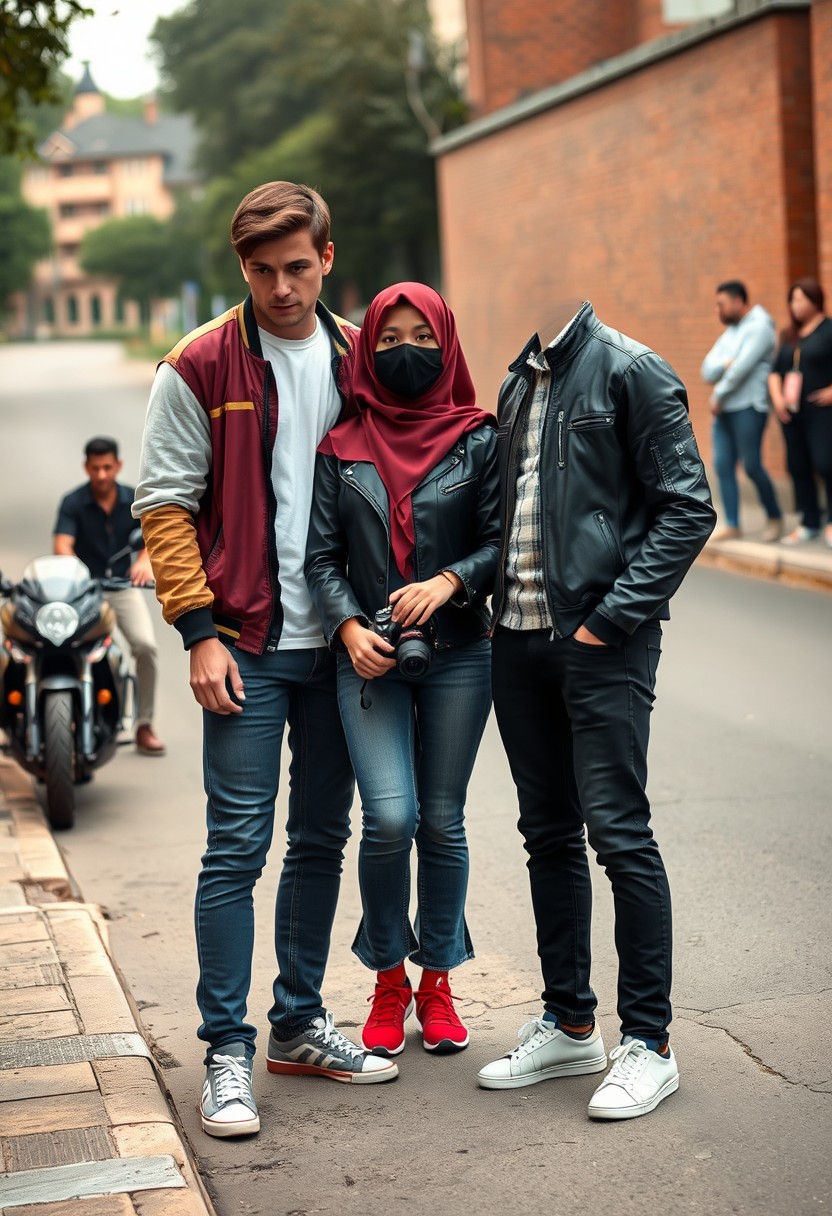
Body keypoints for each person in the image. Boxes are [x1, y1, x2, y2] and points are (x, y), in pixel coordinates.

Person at [133, 182, 397, 1142]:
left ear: (328, 255)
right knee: (236, 849)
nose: (281, 287)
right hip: (242, 645)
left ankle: (296, 1024)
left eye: (298, 267)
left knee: (321, 840)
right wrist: (197, 631)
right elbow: (163, 505)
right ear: (241, 268)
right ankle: (225, 1052)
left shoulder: (361, 353)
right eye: (261, 271)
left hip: (338, 646)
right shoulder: (197, 365)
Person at [477, 300, 716, 1120]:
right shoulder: (516, 384)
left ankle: (648, 1043)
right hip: (516, 639)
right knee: (546, 834)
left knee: (618, 833)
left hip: (601, 640)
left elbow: (688, 506)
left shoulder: (630, 370)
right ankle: (571, 1021)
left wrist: (610, 621)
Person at [305, 283, 499, 1058]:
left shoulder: (479, 438)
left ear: (446, 340)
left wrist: (451, 581)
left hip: (459, 653)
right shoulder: (339, 444)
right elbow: (320, 557)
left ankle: (437, 978)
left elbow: (498, 540)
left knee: (443, 821)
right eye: (388, 340)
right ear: (366, 350)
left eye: (421, 335)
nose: (405, 350)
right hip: (369, 659)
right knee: (390, 819)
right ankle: (387, 974)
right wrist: (349, 626)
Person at [54, 436, 165, 756]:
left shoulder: (133, 498)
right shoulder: (73, 502)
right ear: (86, 467)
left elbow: (152, 535)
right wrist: (72, 571)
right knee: (89, 653)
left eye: (107, 467)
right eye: (95, 468)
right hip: (85, 595)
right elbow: (62, 544)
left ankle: (144, 724)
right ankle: (78, 719)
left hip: (122, 589)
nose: (101, 474)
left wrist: (144, 561)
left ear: (117, 465)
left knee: (145, 646)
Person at [700, 280, 782, 541]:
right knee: (723, 465)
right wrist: (725, 363)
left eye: (721, 304)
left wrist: (719, 393)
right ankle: (733, 524)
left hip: (749, 406)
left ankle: (775, 517)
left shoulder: (760, 327)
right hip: (725, 411)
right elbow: (706, 369)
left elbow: (742, 369)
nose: (717, 310)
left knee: (752, 466)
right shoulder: (731, 333)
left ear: (738, 301)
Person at [768, 277, 832, 548]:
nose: (794, 305)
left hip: (821, 412)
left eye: (800, 299)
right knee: (797, 467)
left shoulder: (829, 330)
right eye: (792, 300)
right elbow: (774, 372)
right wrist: (778, 400)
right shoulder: (789, 335)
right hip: (791, 414)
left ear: (815, 300)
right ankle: (809, 522)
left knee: (826, 464)